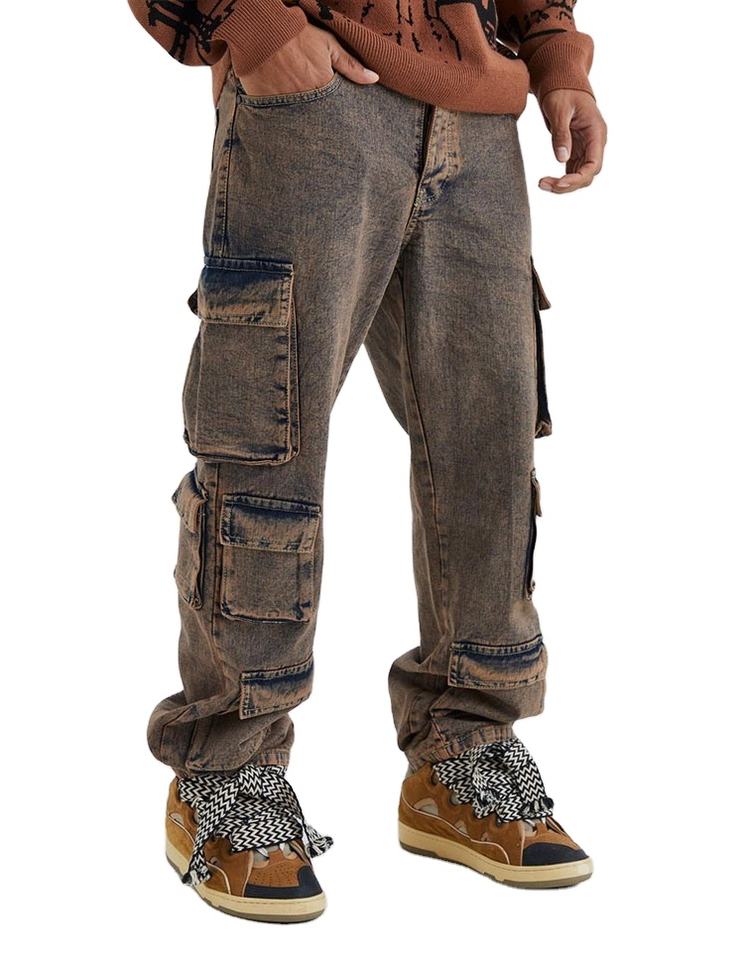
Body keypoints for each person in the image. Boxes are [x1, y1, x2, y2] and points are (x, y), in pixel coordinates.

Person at [128, 0, 607, 922]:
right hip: (315, 104)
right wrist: (256, 27)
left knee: (490, 448)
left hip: (481, 117)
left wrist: (557, 59)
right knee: (266, 436)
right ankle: (226, 767)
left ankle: (463, 752)